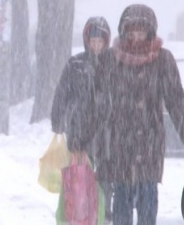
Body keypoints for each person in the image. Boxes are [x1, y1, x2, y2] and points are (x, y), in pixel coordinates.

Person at [94, 4, 184, 225]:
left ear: (150, 32)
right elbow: (98, 105)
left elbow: (176, 102)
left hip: (149, 145)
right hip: (120, 144)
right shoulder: (111, 60)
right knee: (121, 201)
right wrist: (89, 140)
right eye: (131, 32)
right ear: (124, 32)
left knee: (148, 200)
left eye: (141, 32)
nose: (136, 38)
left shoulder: (162, 60)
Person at [51, 16, 113, 221]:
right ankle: (74, 216)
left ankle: (99, 217)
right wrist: (58, 120)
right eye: (93, 41)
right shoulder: (75, 64)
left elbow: (117, 100)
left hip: (104, 137)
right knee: (76, 180)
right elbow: (62, 93)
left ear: (106, 42)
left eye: (100, 41)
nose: (96, 45)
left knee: (102, 184)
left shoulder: (112, 65)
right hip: (78, 134)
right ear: (87, 40)